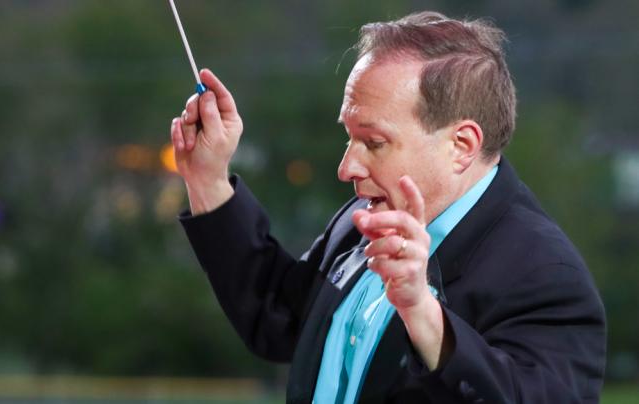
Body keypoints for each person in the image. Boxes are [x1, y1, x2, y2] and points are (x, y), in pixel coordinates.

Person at [169, 11, 606, 404]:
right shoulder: (365, 219)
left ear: (462, 145)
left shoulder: (548, 275)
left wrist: (424, 315)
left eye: (374, 142)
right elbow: (277, 317)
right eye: (349, 136)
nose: (347, 167)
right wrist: (207, 177)